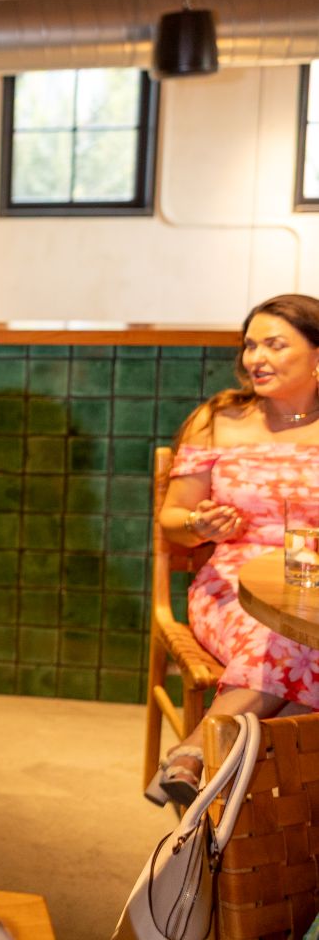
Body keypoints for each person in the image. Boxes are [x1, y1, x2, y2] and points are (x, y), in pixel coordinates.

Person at [148, 293, 319, 806]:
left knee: (305, 630)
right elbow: (173, 520)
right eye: (249, 345)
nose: (255, 358)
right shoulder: (220, 418)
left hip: (311, 584)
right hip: (233, 590)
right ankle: (203, 757)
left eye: (274, 344)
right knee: (292, 637)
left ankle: (219, 785)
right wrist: (201, 523)